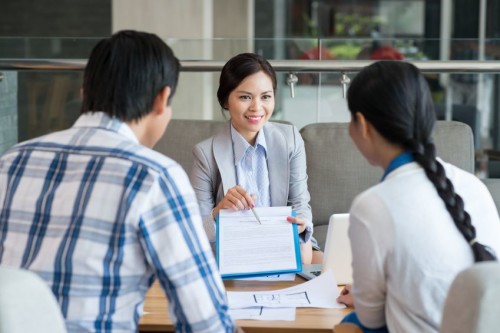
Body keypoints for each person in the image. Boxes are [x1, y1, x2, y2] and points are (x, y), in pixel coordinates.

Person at [0, 30, 239, 333]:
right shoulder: (154, 176)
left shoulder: (11, 161)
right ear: (161, 99)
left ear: (85, 90)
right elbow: (207, 324)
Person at [336, 61, 500, 333]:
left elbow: (371, 321)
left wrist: (366, 306)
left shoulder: (372, 206)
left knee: (347, 328)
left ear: (362, 124)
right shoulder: (473, 186)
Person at [189, 52, 322, 264]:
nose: (257, 107)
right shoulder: (205, 154)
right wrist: (218, 212)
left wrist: (302, 225)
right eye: (245, 97)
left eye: (266, 96)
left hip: (283, 245)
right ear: (225, 100)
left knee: (325, 266)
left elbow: (300, 203)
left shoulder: (290, 139)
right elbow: (195, 232)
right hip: (234, 253)